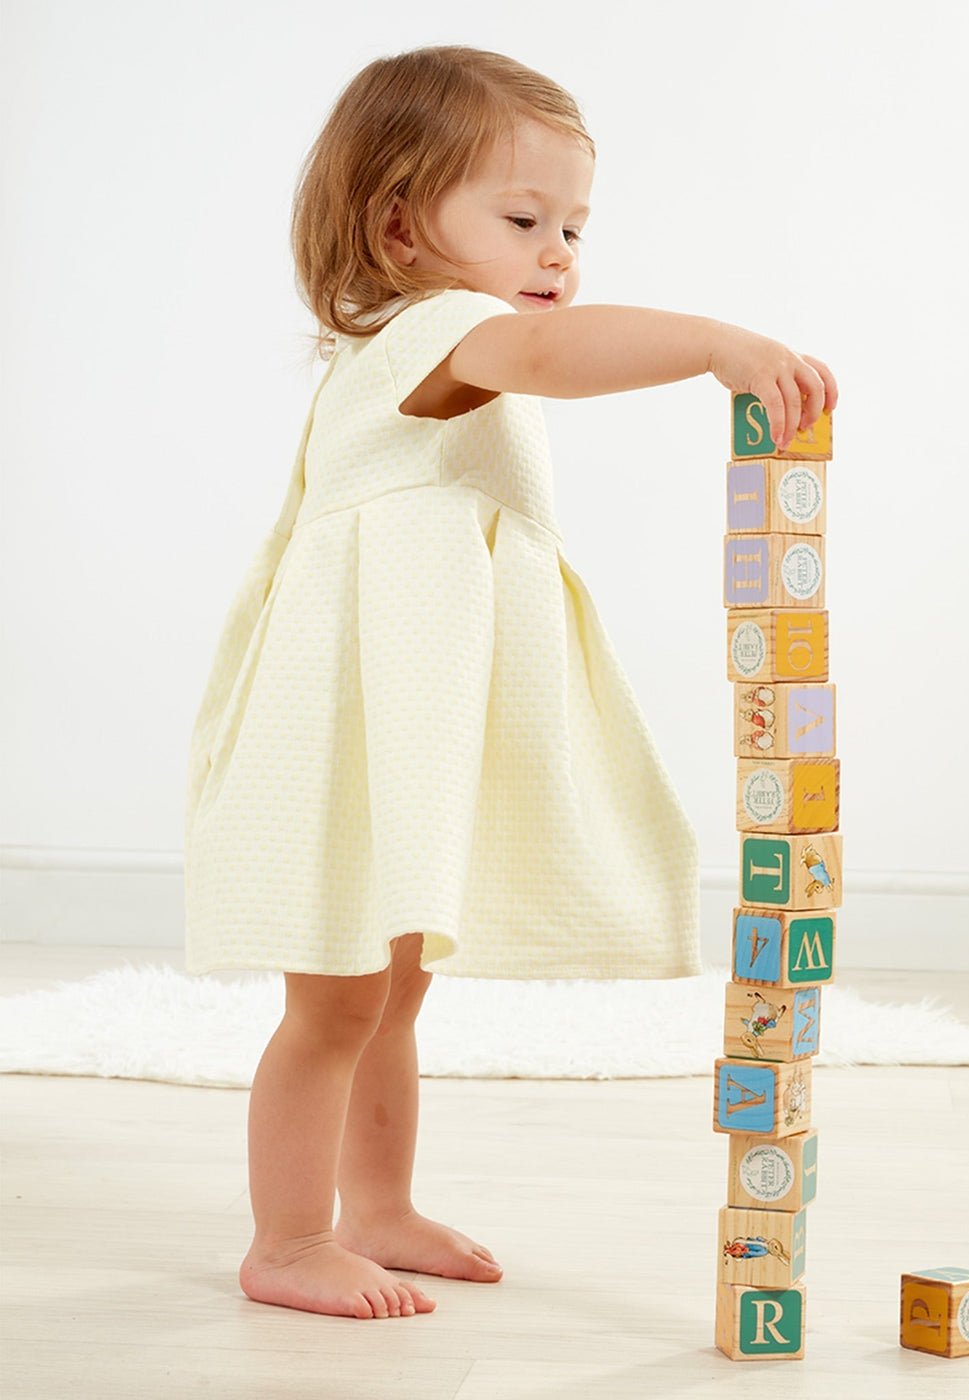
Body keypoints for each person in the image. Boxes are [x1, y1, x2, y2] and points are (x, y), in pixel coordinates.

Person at [182, 44, 838, 1322]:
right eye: (525, 218)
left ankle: (378, 1207)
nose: (558, 253)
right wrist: (714, 343)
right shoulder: (435, 333)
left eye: (575, 226)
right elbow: (550, 358)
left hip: (405, 727)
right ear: (399, 224)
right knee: (334, 998)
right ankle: (287, 1235)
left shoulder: (450, 340)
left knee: (395, 989)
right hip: (348, 734)